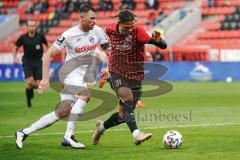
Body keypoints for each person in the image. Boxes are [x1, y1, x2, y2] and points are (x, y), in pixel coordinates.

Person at [15, 4, 110, 149]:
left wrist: (108, 67)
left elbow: (110, 51)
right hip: (69, 74)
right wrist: (45, 79)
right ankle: (68, 137)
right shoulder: (68, 35)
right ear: (82, 18)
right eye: (91, 19)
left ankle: (23, 132)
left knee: (62, 112)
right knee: (85, 95)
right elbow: (48, 55)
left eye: (95, 18)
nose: (94, 21)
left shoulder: (97, 32)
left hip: (80, 77)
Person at [92, 9, 167, 146]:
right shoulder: (109, 29)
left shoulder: (138, 31)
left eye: (131, 26)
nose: (129, 29)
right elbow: (108, 48)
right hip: (117, 72)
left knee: (123, 115)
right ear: (119, 23)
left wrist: (159, 40)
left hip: (135, 76)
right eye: (126, 27)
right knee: (127, 99)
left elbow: (163, 46)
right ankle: (136, 134)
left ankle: (101, 128)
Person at [12, 20, 49, 109]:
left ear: (35, 27)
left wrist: (49, 55)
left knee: (37, 85)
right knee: (29, 82)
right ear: (27, 27)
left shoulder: (40, 36)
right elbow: (15, 47)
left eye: (33, 25)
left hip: (38, 62)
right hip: (27, 62)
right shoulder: (23, 38)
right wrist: (15, 58)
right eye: (30, 25)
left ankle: (29, 91)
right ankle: (29, 103)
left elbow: (48, 45)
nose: (32, 27)